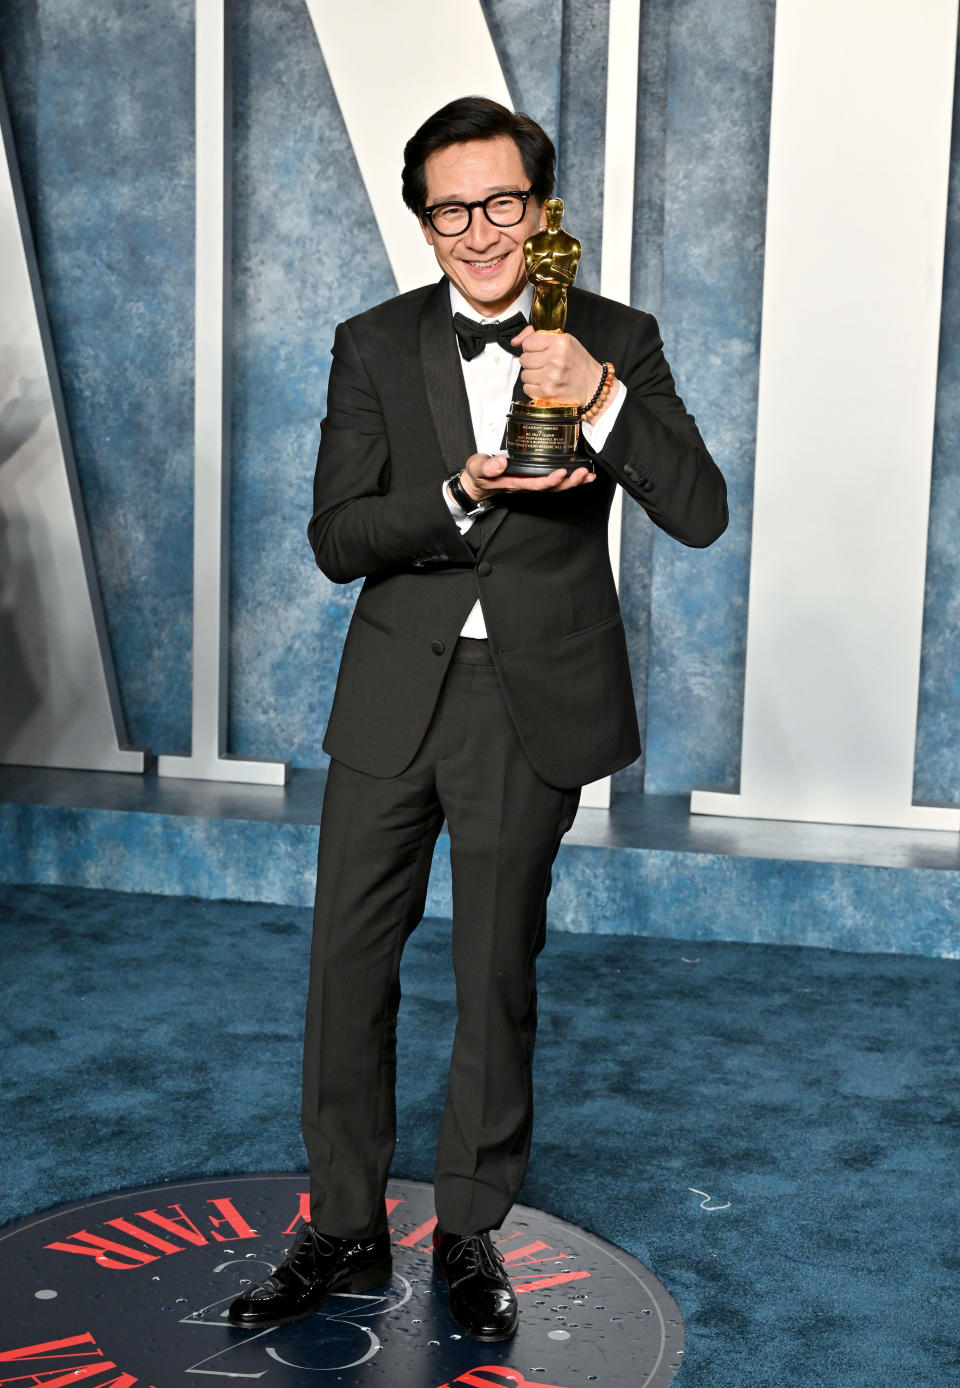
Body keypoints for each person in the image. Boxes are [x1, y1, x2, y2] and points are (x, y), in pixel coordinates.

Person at [229, 95, 727, 1343]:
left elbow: (702, 509)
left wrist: (602, 394)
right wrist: (453, 491)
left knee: (494, 966)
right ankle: (342, 1223)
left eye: (501, 202)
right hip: (396, 694)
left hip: (532, 702)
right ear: (425, 220)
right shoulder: (374, 343)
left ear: (542, 212)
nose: (478, 230)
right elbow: (338, 537)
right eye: (451, 208)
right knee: (347, 962)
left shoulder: (618, 335)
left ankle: (467, 1225)